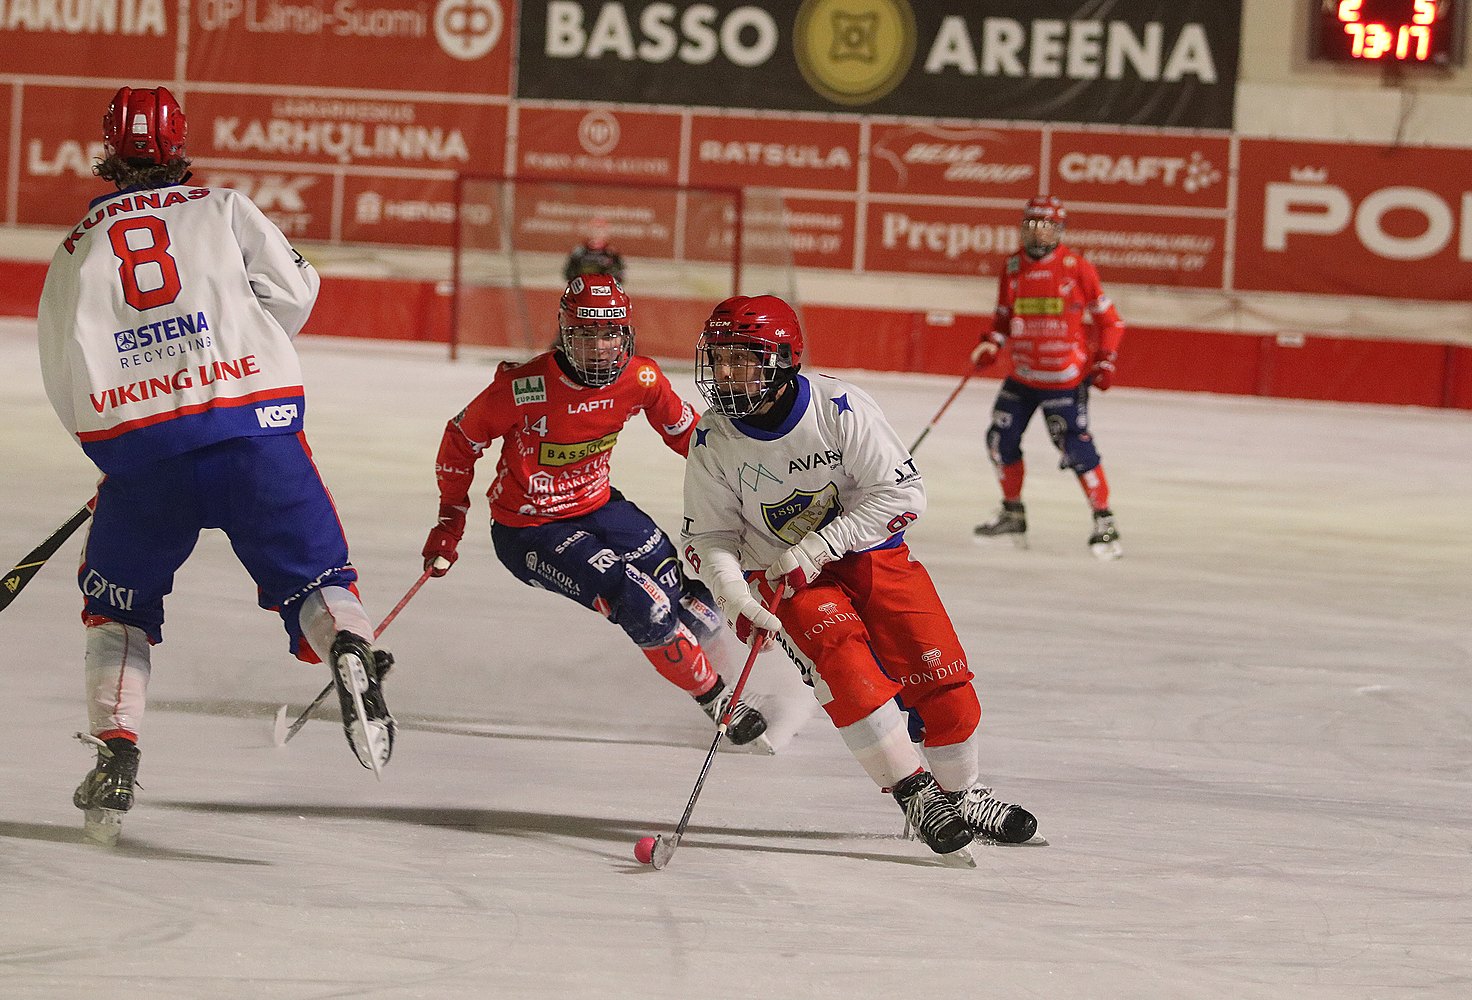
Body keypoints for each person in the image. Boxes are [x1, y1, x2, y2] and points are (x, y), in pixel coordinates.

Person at [36, 86, 395, 842]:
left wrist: (117, 450)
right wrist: (240, 347)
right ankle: (349, 648)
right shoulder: (224, 207)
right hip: (255, 434)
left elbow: (63, 370)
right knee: (318, 581)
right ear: (178, 142)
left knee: (119, 612)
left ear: (109, 148)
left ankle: (117, 751)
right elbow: (296, 294)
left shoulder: (77, 245)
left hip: (144, 459)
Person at [680, 294, 1039, 861]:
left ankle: (961, 795)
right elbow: (709, 537)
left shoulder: (840, 407)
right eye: (719, 360)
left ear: (782, 359)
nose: (726, 375)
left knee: (951, 695)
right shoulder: (712, 438)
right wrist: (730, 589)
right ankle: (916, 794)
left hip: (873, 556)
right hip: (787, 579)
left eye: (742, 360)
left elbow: (903, 494)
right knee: (849, 672)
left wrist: (822, 543)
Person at [421, 275, 772, 749]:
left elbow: (689, 436)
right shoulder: (523, 387)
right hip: (530, 528)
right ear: (565, 335)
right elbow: (460, 439)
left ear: (625, 335)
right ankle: (718, 702)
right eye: (584, 335)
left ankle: (739, 674)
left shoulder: (641, 377)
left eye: (609, 334)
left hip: (599, 505)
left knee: (683, 594)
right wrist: (450, 517)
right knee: (640, 601)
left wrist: (757, 488)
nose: (598, 349)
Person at [970, 194, 1125, 560]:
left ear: (1058, 229)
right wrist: (991, 344)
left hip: (1063, 379)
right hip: (1022, 376)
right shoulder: (1011, 268)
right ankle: (1013, 513)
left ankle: (1104, 521)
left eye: (1045, 224)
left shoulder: (1077, 268)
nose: (1037, 232)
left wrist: (1105, 362)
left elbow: (1111, 321)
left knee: (1076, 447)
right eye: (1031, 223)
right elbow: (1003, 319)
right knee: (998, 440)